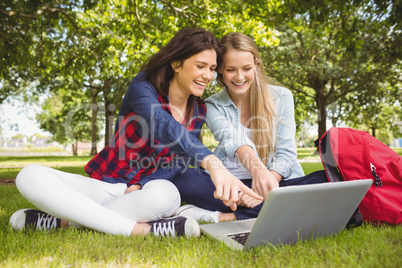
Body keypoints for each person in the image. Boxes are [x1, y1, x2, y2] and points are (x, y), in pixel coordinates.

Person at [10, 28, 262, 238]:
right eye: (200, 66)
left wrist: (141, 184)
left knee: (169, 195)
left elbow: (177, 161)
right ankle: (140, 229)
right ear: (176, 63)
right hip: (106, 185)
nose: (207, 75)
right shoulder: (143, 87)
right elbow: (161, 123)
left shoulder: (199, 110)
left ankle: (67, 222)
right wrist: (213, 163)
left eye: (211, 68)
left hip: (146, 193)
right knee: (29, 175)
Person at [173, 32, 328, 223]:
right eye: (231, 70)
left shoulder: (282, 97)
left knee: (328, 178)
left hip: (276, 182)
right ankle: (274, 206)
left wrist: (266, 181)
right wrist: (256, 172)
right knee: (183, 177)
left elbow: (286, 156)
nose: (239, 77)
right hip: (232, 187)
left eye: (246, 68)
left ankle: (227, 216)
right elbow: (233, 139)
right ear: (220, 69)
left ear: (256, 64)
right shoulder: (211, 105)